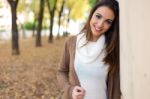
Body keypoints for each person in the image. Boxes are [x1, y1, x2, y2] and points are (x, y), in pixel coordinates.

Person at [57, 0, 121, 99]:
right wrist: (70, 90)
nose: (100, 24)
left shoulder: (112, 48)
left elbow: (115, 86)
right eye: (98, 16)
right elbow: (61, 71)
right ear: (91, 14)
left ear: (112, 26)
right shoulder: (71, 42)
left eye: (108, 22)